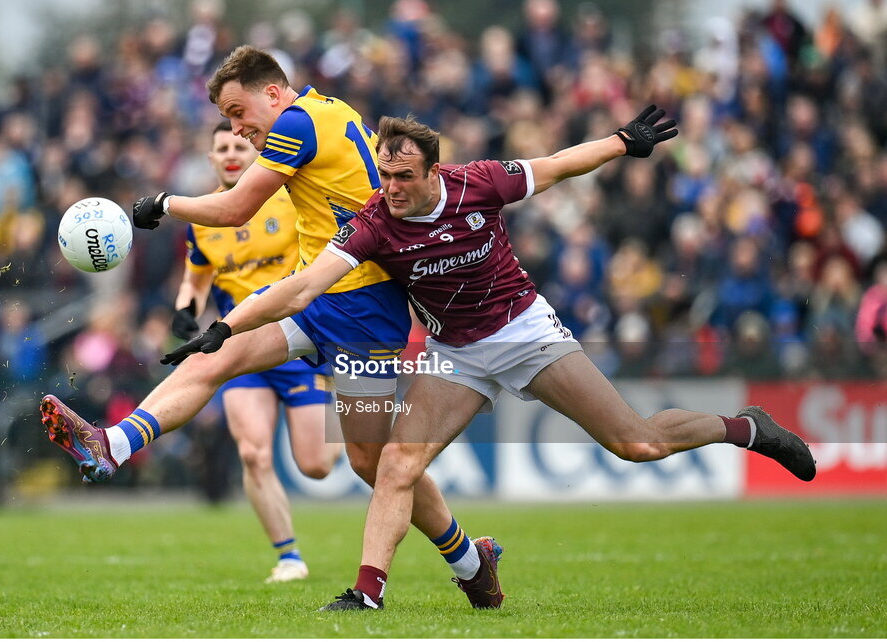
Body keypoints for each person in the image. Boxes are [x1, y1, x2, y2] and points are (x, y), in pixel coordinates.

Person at [162, 111, 818, 611]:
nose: (389, 188)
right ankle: (366, 592)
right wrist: (224, 325)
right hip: (455, 355)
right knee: (396, 460)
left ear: (433, 172)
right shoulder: (371, 223)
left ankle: (748, 427)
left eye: (403, 177)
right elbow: (302, 288)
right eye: (383, 175)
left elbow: (558, 164)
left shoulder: (480, 183)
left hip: (527, 333)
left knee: (638, 444)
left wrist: (622, 142)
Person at [40, 46, 498, 607]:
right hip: (315, 294)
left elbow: (236, 209)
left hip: (364, 305)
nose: (237, 128)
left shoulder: (298, 124)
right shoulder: (330, 111)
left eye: (240, 112)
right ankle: (112, 443)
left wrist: (164, 203)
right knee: (214, 358)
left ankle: (472, 560)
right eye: (228, 121)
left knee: (369, 462)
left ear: (275, 93)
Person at [175, 120, 341, 583]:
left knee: (316, 466)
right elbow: (197, 274)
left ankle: (345, 427)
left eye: (239, 145)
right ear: (210, 158)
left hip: (297, 341)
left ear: (255, 154)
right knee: (253, 453)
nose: (231, 153)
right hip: (240, 348)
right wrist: (186, 309)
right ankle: (288, 556)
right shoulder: (202, 215)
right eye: (221, 148)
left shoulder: (289, 199)